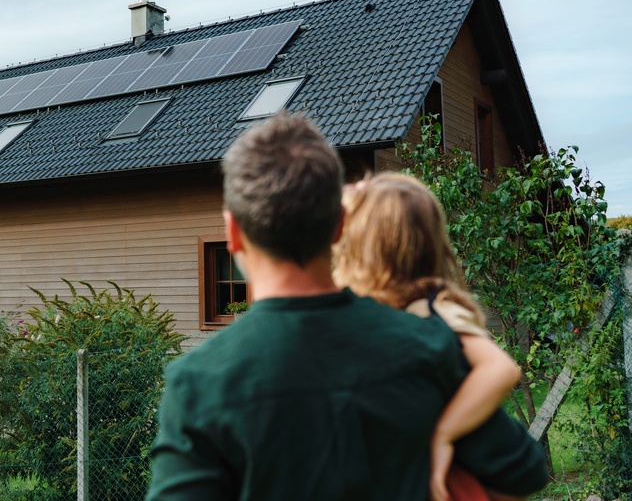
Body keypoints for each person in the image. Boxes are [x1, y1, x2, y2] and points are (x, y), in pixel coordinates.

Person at [146, 112, 547, 500]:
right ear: (339, 223)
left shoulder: (198, 383)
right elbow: (524, 471)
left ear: (232, 232)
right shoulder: (428, 344)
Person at [334, 173, 522, 501]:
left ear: (369, 247)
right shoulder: (391, 309)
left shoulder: (433, 310)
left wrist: (443, 433)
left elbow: (502, 369)